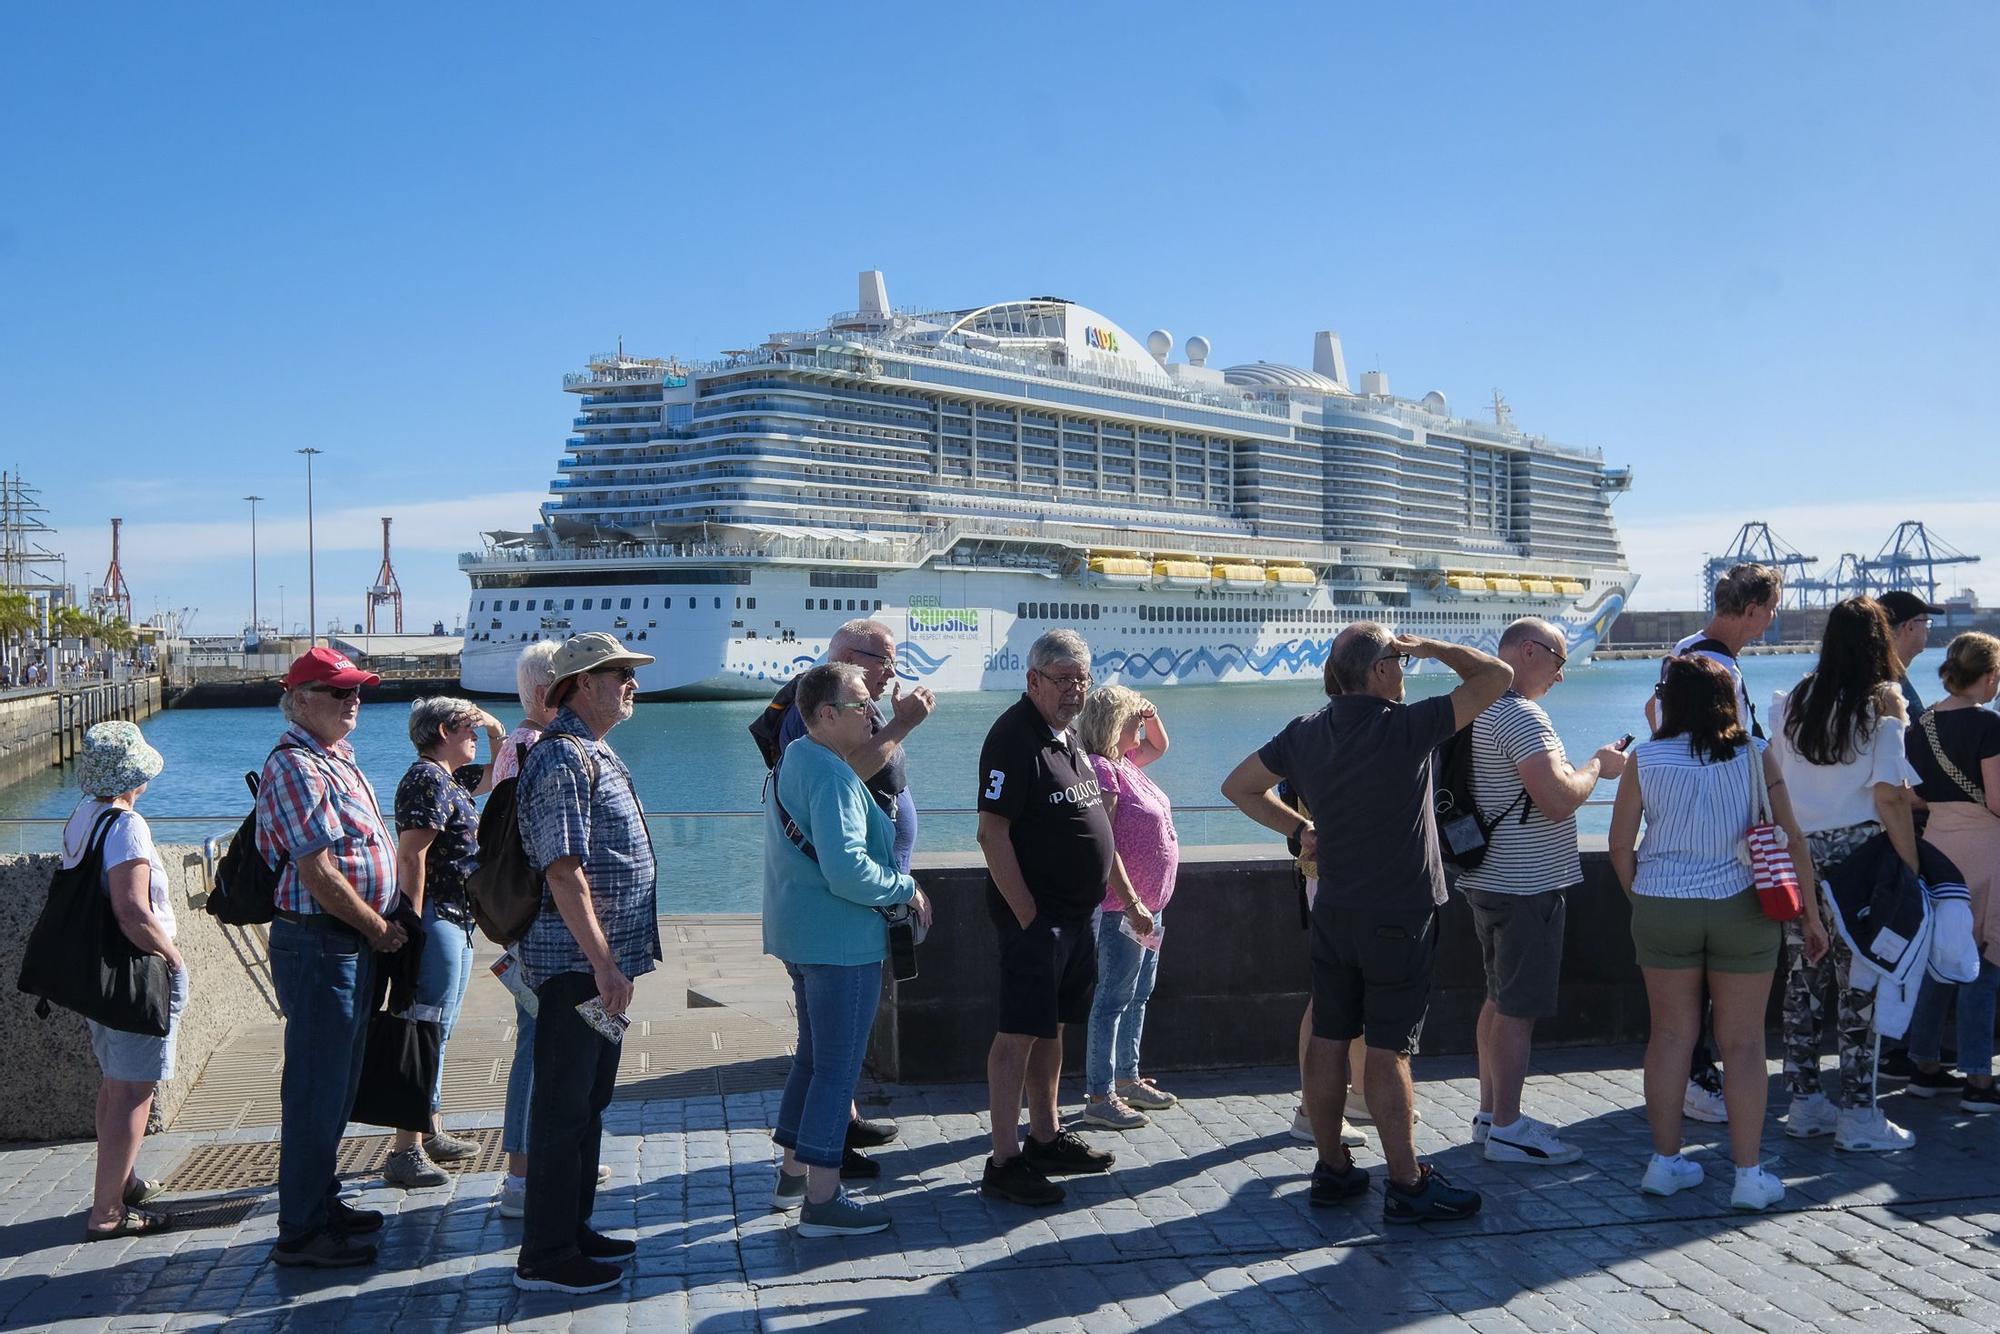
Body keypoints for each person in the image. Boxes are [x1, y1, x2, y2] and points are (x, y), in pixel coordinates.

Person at [1222, 624, 1511, 1223]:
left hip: (1335, 910)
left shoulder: (1304, 732)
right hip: (1399, 913)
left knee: (1329, 1039)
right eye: (1399, 662)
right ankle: (1406, 1182)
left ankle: (1331, 1167)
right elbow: (1498, 678)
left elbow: (1239, 786)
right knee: (1388, 1052)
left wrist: (1301, 831)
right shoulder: (1407, 726)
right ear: (1380, 671)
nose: (1405, 671)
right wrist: (1433, 648)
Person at [1609, 655, 1827, 1211]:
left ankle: (1663, 1164)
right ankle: (1749, 1176)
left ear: (1670, 700)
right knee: (1745, 1042)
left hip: (1663, 903)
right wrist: (1812, 916)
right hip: (1742, 907)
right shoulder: (1757, 754)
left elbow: (1619, 844)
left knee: (1670, 1038)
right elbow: (1793, 838)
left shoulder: (1645, 758)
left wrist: (1644, 899)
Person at [977, 628, 1149, 1207]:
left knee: (1050, 1028)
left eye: (1083, 679)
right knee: (1017, 1035)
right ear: (1033, 680)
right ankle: (1003, 1161)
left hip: (1079, 917)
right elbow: (991, 832)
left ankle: (1045, 1137)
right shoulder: (1012, 738)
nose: (1076, 690)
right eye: (1063, 679)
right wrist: (1028, 914)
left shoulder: (1065, 734)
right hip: (1039, 919)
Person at [514, 632, 660, 1294]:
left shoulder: (591, 752)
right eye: (619, 673)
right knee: (563, 1107)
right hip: (578, 969)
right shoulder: (565, 760)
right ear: (578, 685)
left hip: (603, 969)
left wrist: (614, 965)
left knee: (589, 1100)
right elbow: (564, 870)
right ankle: (545, 1254)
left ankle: (572, 1229)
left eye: (630, 672)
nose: (631, 683)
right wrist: (604, 964)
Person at [763, 662, 932, 1235]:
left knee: (812, 1059)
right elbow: (846, 870)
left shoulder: (799, 757)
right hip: (840, 939)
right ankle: (823, 1199)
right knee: (837, 1071)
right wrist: (905, 888)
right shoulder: (832, 773)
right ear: (827, 715)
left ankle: (791, 1176)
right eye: (862, 705)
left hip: (802, 932)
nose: (874, 714)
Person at [1460, 619, 1629, 1165]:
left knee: (1497, 997)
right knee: (1518, 1009)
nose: (1561, 674)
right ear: (1530, 652)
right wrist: (1599, 765)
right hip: (1526, 882)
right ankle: (1509, 1126)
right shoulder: (1522, 715)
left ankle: (1490, 1115)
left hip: (1485, 875)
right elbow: (1557, 799)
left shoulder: (1477, 707)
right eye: (1558, 661)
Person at [258, 648, 406, 1268]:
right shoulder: (297, 766)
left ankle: (322, 1198)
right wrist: (378, 927)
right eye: (339, 691)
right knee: (317, 1087)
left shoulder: (333, 758)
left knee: (338, 1083)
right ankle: (300, 1230)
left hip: (343, 942)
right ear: (301, 701)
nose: (354, 702)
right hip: (323, 942)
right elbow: (316, 871)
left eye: (357, 691)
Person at [1768, 597, 1923, 1152]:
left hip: (1799, 859)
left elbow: (1778, 783)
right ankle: (1859, 1113)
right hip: (1860, 862)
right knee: (1862, 989)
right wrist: (1910, 868)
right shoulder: (1880, 709)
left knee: (1802, 984)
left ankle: (1805, 1102)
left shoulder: (1792, 704)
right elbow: (1891, 798)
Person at [1644, 562, 1783, 1124]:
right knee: (1733, 1019)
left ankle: (1684, 1097)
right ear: (1750, 610)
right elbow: (1747, 745)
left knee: (1675, 1011)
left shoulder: (1685, 650)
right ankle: (1705, 1084)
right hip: (1725, 859)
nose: (1771, 622)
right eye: (1770, 611)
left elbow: (1656, 716)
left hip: (1671, 859)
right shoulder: (1722, 668)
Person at [381, 696, 504, 1188]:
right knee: (425, 1029)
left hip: (456, 917)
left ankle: (429, 1128)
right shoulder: (427, 779)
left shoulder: (451, 780)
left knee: (439, 1029)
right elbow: (412, 856)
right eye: (467, 727)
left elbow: (505, 768)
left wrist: (493, 722)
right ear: (443, 730)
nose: (475, 735)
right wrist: (411, 923)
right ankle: (404, 1150)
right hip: (434, 919)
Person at [68, 722, 185, 1241]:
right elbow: (133, 910)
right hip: (135, 974)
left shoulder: (82, 817)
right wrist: (172, 955)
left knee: (116, 1083)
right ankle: (108, 1212)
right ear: (134, 774)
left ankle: (125, 1181)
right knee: (136, 1090)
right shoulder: (126, 825)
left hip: (99, 973)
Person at [488, 641, 583, 1218]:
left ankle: (539, 1160)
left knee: (543, 1040)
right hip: (543, 923)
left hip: (524, 919)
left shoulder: (515, 747)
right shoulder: (534, 748)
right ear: (551, 690)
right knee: (537, 1042)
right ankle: (521, 1174)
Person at [1901, 632, 2000, 1107]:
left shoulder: (1922, 724)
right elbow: (1997, 800)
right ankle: (1979, 1079)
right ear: (1989, 675)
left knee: (1939, 959)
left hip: (1937, 843)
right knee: (1985, 959)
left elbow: (1915, 794)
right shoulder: (1989, 726)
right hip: (1985, 847)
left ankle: (1923, 1065)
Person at [1073, 684, 1179, 1130]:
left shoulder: (1126, 762)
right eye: (1134, 718)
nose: (1141, 725)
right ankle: (1100, 1093)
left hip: (1149, 906)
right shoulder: (1102, 769)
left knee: (1138, 995)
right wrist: (1134, 901)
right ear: (1114, 723)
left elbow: (1161, 743)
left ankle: (1128, 1076)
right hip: (1125, 907)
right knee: (1113, 998)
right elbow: (1106, 841)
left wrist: (1148, 711)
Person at [1879, 590, 1941, 720]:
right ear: (1909, 626)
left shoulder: (1883, 671)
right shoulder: (1886, 681)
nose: (1928, 629)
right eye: (1926, 622)